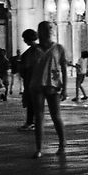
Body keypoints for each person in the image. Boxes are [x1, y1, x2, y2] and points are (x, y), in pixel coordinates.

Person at [23, 23, 69, 158]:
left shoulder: (59, 48)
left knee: (56, 116)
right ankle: (38, 148)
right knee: (39, 117)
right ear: (39, 32)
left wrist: (65, 88)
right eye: (44, 29)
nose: (48, 31)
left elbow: (64, 68)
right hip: (36, 85)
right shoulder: (33, 50)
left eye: (50, 28)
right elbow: (28, 71)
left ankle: (62, 144)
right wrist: (26, 91)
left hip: (53, 85)